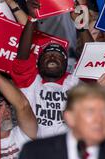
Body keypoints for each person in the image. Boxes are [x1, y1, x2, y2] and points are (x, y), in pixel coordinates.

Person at [10, 0, 80, 138]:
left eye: (58, 56)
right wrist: (32, 17)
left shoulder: (74, 82)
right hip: (34, 148)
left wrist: (82, 26)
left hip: (66, 150)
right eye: (47, 55)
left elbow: (89, 57)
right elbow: (22, 56)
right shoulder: (30, 80)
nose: (52, 58)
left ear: (66, 65)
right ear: (37, 63)